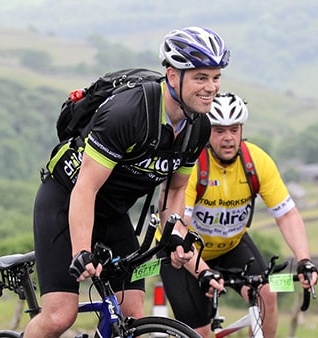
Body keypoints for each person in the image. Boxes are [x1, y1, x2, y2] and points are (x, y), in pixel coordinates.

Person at [25, 26, 231, 337]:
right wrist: (82, 250)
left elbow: (175, 190)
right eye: (201, 77)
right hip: (66, 201)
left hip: (113, 213)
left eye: (215, 78)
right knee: (59, 317)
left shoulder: (198, 127)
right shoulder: (129, 113)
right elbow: (86, 188)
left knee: (132, 315)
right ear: (173, 76)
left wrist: (175, 232)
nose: (211, 87)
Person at [159, 93, 318, 338]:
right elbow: (181, 227)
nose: (228, 138)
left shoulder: (257, 161)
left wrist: (304, 259)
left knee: (266, 292)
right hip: (183, 252)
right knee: (200, 332)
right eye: (219, 131)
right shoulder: (193, 164)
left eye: (234, 130)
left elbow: (287, 215)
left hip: (231, 245)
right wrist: (203, 271)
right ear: (207, 130)